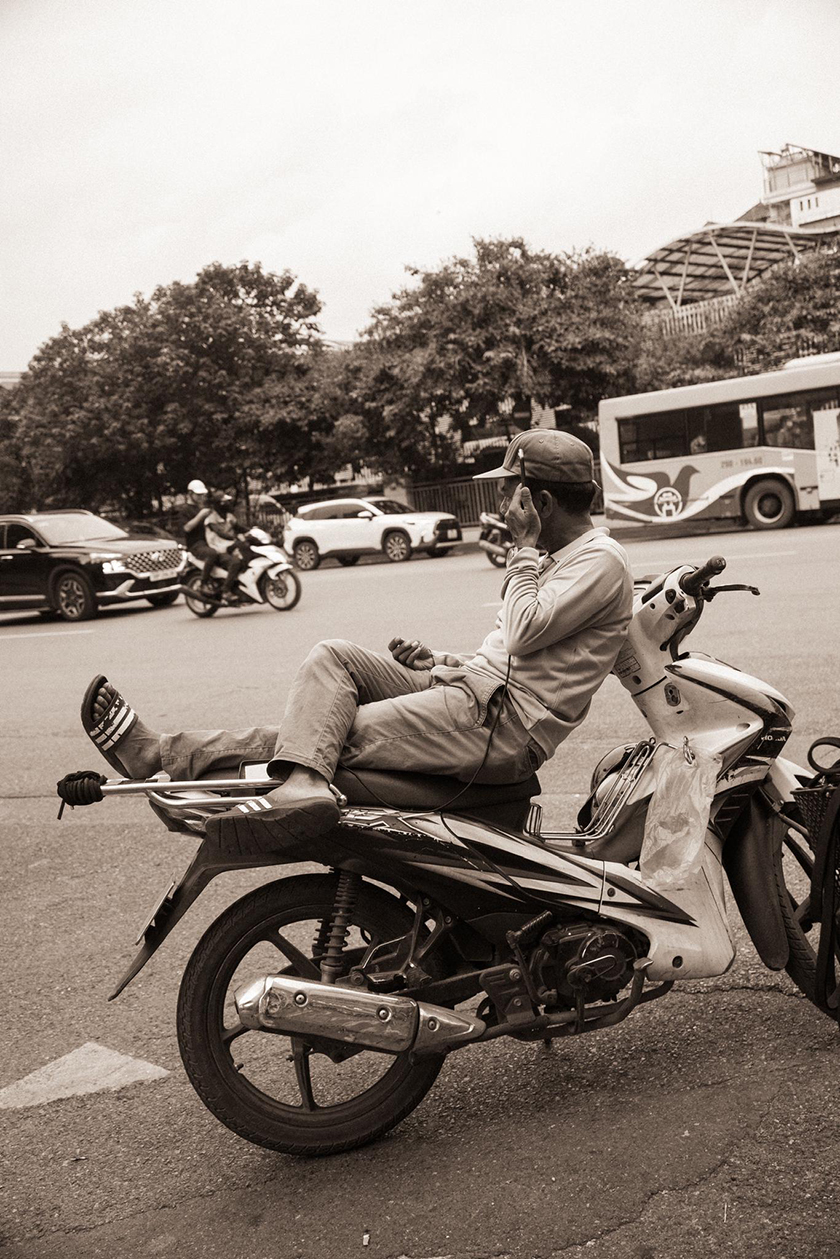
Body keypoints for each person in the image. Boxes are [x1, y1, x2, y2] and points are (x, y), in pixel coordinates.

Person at [82, 430, 634, 848]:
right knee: (333, 659)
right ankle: (264, 771)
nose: (503, 504)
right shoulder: (555, 558)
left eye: (512, 492)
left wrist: (523, 550)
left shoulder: (598, 560)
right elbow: (522, 651)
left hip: (504, 726)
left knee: (325, 735)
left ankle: (201, 762)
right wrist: (440, 661)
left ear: (539, 504)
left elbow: (522, 630)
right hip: (474, 692)